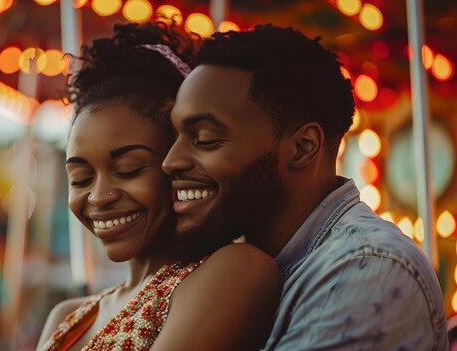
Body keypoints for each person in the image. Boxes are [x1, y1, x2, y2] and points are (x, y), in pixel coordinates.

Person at [162, 23, 447, 350]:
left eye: (205, 139)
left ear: (303, 147)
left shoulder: (365, 268)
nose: (170, 161)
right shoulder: (234, 263)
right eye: (175, 137)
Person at [36, 22, 281, 351]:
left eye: (128, 169)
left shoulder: (235, 270)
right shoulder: (67, 315)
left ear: (177, 164)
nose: (98, 196)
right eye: (80, 178)